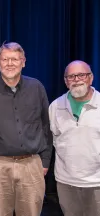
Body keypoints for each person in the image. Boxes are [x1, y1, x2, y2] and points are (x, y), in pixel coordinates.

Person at [0, 42, 52, 216]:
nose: (9, 63)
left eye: (14, 59)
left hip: (31, 165)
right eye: (5, 59)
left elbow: (45, 126)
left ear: (23, 62)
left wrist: (44, 161)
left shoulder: (36, 88)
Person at [49, 60, 100, 216]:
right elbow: (53, 140)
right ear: (65, 81)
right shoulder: (55, 106)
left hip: (97, 182)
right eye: (71, 76)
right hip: (66, 183)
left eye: (81, 75)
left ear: (91, 78)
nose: (77, 80)